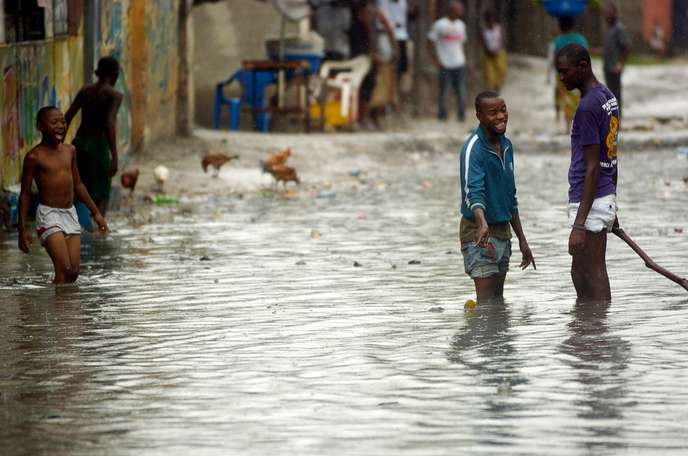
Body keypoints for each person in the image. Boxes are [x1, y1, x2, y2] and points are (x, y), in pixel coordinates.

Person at [555, 44, 620, 302]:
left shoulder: (587, 108)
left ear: (582, 67)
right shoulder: (607, 97)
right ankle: (588, 332)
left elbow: (593, 167)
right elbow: (612, 156)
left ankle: (597, 331)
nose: (561, 78)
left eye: (565, 71)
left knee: (590, 273)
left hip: (590, 198)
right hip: (601, 197)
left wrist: (579, 224)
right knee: (581, 272)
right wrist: (612, 202)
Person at [459, 91, 536, 303]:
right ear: (479, 116)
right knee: (485, 306)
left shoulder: (507, 146)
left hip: (503, 232)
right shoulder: (473, 148)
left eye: (503, 110)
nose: (501, 117)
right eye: (493, 113)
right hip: (479, 232)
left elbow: (510, 197)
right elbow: (472, 191)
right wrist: (482, 222)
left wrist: (522, 240)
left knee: (498, 304)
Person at [18, 106, 109, 284]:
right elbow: (26, 194)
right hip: (49, 215)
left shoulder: (70, 151)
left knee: (74, 272)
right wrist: (22, 230)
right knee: (64, 268)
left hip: (70, 213)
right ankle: (60, 311)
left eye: (63, 121)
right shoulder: (34, 157)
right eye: (54, 122)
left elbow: (78, 184)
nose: (60, 125)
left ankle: (66, 309)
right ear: (40, 127)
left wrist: (97, 214)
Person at [65, 56, 123, 217]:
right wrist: (115, 157)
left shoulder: (85, 91)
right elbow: (109, 123)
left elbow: (68, 116)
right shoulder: (114, 95)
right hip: (98, 147)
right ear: (115, 74)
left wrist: (58, 147)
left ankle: (80, 228)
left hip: (79, 144)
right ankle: (100, 232)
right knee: (102, 192)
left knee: (81, 187)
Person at [427, 1, 467, 122]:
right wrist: (434, 59)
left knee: (461, 91)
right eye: (459, 9)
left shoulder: (461, 25)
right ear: (451, 10)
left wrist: (465, 59)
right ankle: (442, 116)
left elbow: (462, 43)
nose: (461, 12)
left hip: (459, 63)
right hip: (445, 63)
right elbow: (429, 41)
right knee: (444, 92)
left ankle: (461, 116)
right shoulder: (440, 24)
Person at [547, 16, 588, 130]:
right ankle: (579, 124)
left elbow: (553, 59)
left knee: (565, 100)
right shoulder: (581, 39)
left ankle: (566, 126)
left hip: (563, 76)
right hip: (578, 75)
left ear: (560, 26)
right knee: (578, 99)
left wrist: (551, 74)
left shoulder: (557, 41)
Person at [603, 2, 629, 114]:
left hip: (614, 68)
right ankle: (613, 118)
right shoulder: (610, 30)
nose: (606, 16)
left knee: (615, 95)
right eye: (605, 14)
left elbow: (626, 47)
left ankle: (617, 119)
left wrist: (621, 64)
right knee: (610, 95)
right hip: (608, 68)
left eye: (609, 13)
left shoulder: (619, 29)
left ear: (615, 14)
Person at [481, 10, 507, 93]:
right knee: (490, 76)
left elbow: (503, 40)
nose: (491, 21)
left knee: (501, 72)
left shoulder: (498, 28)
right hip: (488, 55)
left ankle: (497, 89)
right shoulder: (484, 31)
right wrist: (488, 51)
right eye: (488, 20)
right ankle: (491, 91)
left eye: (492, 19)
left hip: (499, 53)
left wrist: (498, 50)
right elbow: (482, 43)